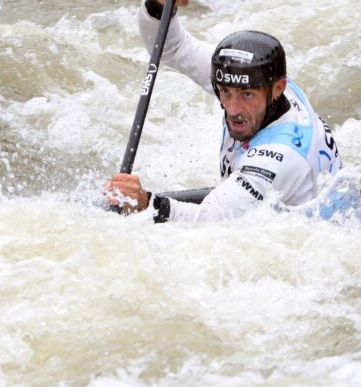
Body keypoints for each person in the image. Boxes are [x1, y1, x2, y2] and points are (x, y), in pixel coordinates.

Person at [106, 0, 342, 223]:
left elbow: (211, 222)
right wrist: (157, 6)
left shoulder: (279, 158)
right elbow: (174, 48)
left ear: (278, 89)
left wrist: (146, 203)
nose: (233, 109)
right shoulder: (258, 81)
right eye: (225, 92)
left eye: (247, 95)